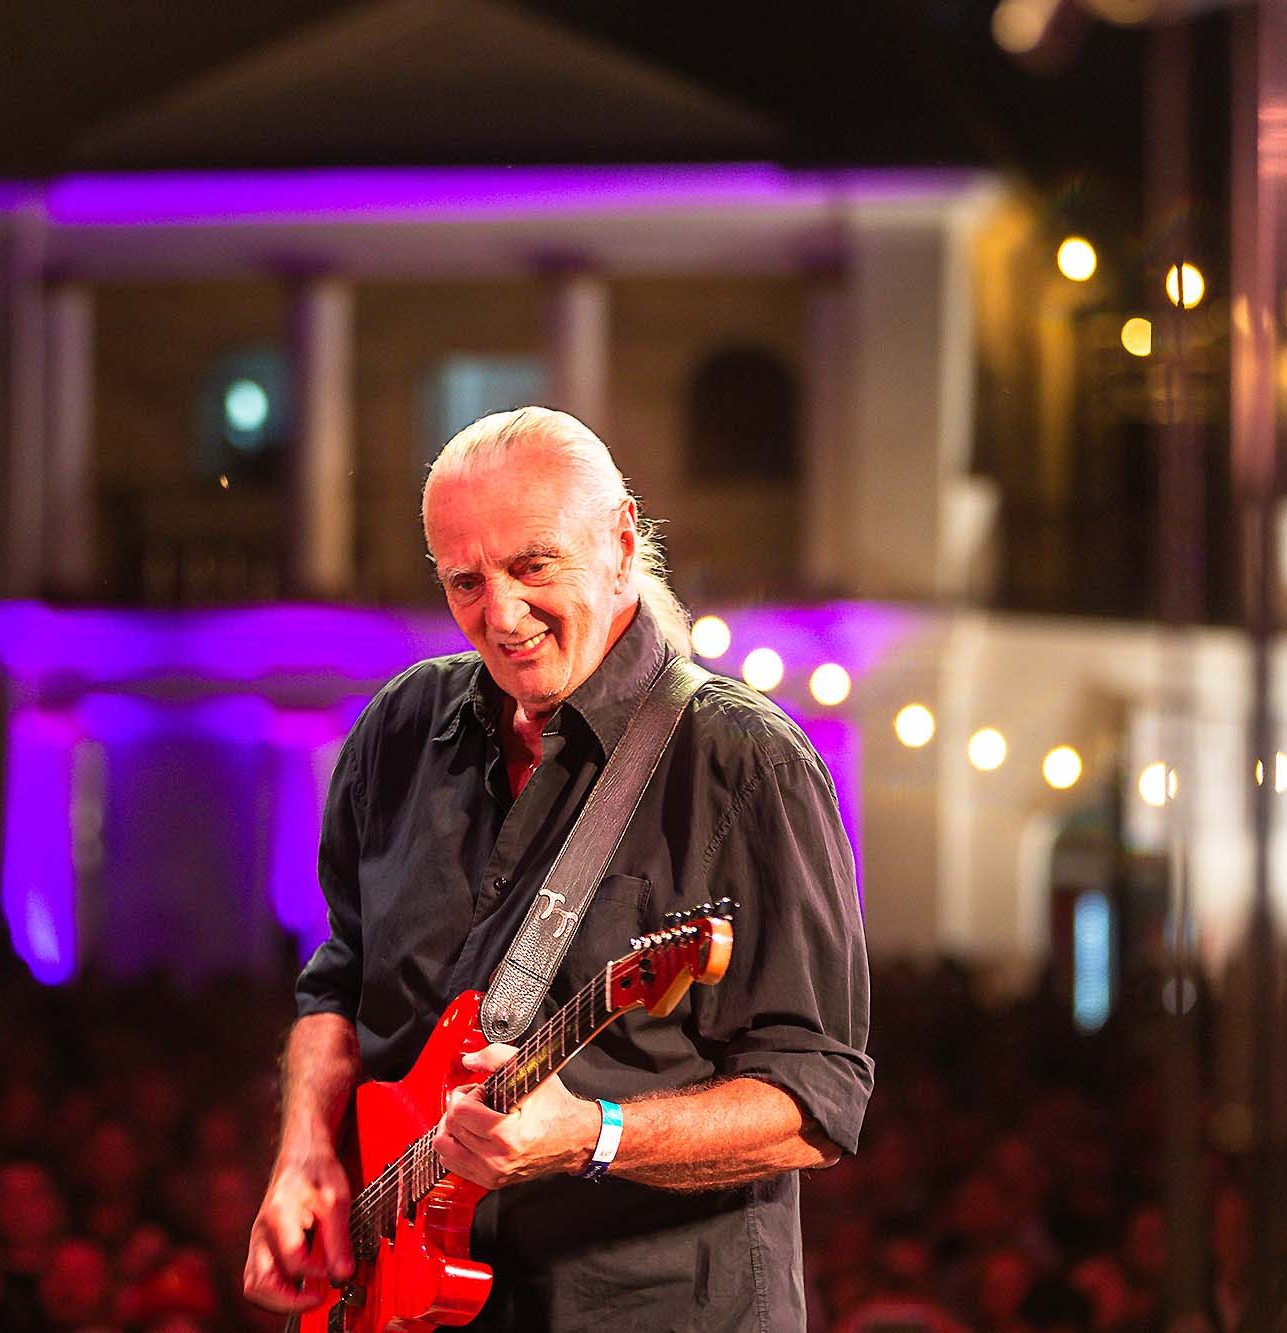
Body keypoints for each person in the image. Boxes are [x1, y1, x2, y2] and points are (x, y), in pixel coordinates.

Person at [243, 407, 873, 1329]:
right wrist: (305, 1154)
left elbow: (816, 1099)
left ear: (621, 543)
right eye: (464, 581)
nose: (501, 615)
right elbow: (338, 980)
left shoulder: (746, 761)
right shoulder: (399, 729)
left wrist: (593, 1134)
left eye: (533, 565)